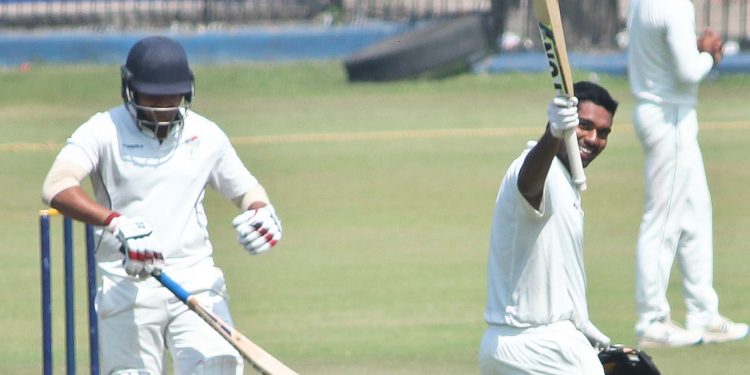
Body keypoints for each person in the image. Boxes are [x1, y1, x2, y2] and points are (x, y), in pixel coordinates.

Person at [40, 35, 283, 374]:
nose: (164, 107)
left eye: (173, 96)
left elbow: (246, 190)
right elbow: (56, 187)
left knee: (216, 368)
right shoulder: (103, 130)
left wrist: (260, 211)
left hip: (195, 279)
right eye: (153, 96)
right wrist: (115, 221)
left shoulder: (206, 134)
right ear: (131, 89)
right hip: (126, 283)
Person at [627, 0, 748, 348]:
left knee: (696, 213)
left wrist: (695, 47)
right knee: (663, 219)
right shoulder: (676, 5)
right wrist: (710, 53)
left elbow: (664, 51)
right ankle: (651, 319)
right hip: (670, 117)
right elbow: (688, 72)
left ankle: (703, 313)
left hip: (662, 113)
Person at [478, 81, 618, 374]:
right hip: (540, 348)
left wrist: (580, 321)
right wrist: (553, 134)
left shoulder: (568, 183)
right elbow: (528, 184)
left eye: (603, 132)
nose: (593, 139)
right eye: (584, 126)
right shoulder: (538, 168)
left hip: (512, 347)